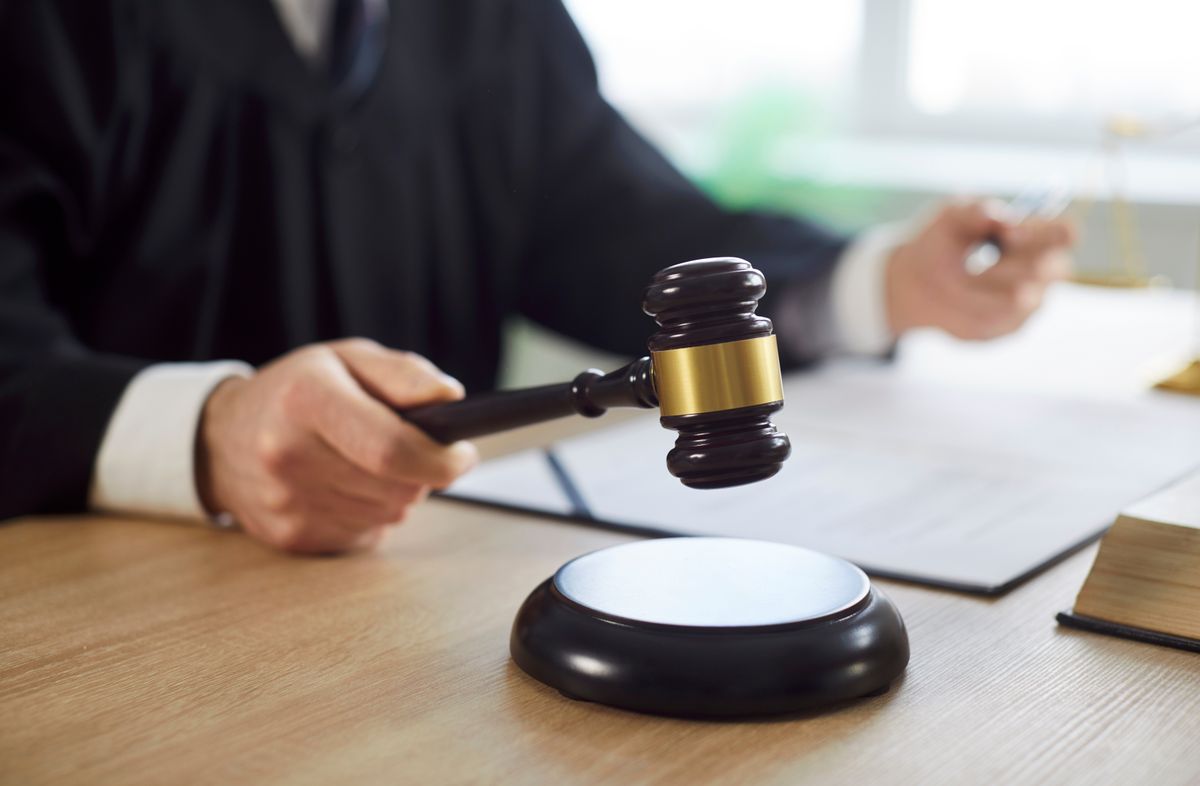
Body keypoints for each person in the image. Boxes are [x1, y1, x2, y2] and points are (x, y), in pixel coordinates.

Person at [0, 0, 1074, 553]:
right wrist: (207, 428)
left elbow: (623, 227)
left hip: (418, 612)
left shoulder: (486, 16)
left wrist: (884, 284)